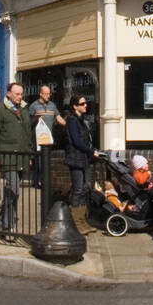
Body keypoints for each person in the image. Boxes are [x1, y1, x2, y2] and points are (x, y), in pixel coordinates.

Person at [0, 82, 35, 237]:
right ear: (8, 94)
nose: (20, 96)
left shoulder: (24, 109)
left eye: (21, 94)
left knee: (14, 192)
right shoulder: (0, 109)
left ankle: (3, 219)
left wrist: (28, 154)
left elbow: (28, 133)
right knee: (13, 189)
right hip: (7, 156)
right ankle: (8, 227)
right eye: (17, 94)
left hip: (21, 156)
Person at [64, 94, 99, 233]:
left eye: (85, 103)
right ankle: (76, 223)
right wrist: (91, 151)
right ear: (75, 106)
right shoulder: (72, 120)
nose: (86, 105)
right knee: (78, 190)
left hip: (84, 159)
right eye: (82, 103)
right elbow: (77, 141)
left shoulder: (81, 120)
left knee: (85, 189)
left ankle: (83, 221)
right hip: (75, 159)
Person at [28, 85, 65, 188]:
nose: (49, 95)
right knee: (39, 161)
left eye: (49, 93)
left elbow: (58, 118)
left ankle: (38, 181)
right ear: (40, 94)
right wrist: (36, 119)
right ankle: (39, 181)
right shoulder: (33, 106)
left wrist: (68, 124)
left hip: (49, 138)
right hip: (38, 138)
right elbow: (28, 122)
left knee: (46, 160)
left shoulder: (52, 105)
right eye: (46, 93)